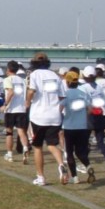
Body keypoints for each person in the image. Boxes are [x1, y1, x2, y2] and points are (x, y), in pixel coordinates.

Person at [26, 52, 67, 186]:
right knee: (52, 144)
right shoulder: (55, 76)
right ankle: (61, 164)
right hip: (54, 116)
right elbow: (62, 97)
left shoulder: (34, 74)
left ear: (33, 63)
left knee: (37, 147)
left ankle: (41, 177)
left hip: (38, 116)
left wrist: (27, 102)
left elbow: (31, 91)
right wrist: (58, 109)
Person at [79, 66, 105, 177]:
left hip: (87, 117)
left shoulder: (82, 88)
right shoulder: (98, 87)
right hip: (99, 115)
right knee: (100, 141)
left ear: (84, 76)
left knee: (84, 142)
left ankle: (86, 165)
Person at [61, 71, 95, 184]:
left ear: (67, 82)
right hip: (82, 126)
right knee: (80, 152)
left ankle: (75, 177)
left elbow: (60, 108)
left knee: (69, 152)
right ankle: (88, 166)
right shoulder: (83, 93)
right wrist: (83, 116)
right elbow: (90, 110)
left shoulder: (66, 94)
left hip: (69, 126)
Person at [0, 60, 30, 163]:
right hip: (21, 109)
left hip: (11, 109)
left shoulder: (8, 79)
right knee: (21, 131)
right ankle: (25, 147)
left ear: (8, 69)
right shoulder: (23, 80)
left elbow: (10, 92)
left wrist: (5, 105)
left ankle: (9, 154)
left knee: (9, 132)